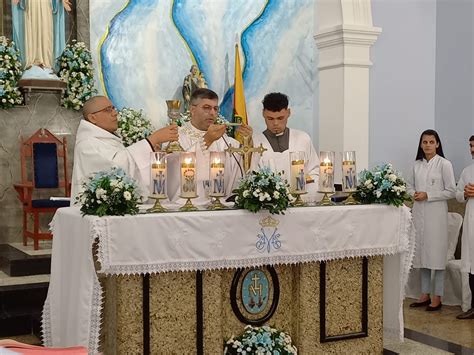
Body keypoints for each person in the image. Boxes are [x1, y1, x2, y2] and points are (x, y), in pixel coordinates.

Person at [70, 95, 178, 202]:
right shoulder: (88, 143)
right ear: (92, 118)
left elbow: (130, 167)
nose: (115, 113)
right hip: (98, 212)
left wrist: (154, 153)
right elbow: (117, 168)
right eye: (108, 110)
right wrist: (152, 140)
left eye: (113, 108)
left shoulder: (107, 139)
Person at [168, 88, 250, 203]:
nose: (212, 113)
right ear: (192, 109)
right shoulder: (177, 138)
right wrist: (207, 141)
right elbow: (173, 171)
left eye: (215, 109)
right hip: (187, 207)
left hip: (221, 208)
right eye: (207, 108)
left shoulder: (225, 141)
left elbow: (244, 166)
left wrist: (248, 141)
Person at [407, 129, 456, 311]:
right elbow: (409, 186)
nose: (428, 145)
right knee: (423, 255)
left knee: (436, 256)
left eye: (431, 142)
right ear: (421, 144)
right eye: (424, 142)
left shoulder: (444, 164)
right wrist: (414, 194)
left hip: (436, 215)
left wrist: (429, 195)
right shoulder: (416, 165)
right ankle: (424, 294)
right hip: (419, 214)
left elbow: (451, 191)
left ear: (437, 144)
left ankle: (438, 296)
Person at [251, 92, 319, 193]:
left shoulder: (303, 139)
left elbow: (314, 171)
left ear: (288, 113)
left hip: (302, 199)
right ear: (263, 113)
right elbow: (252, 176)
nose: (275, 123)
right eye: (270, 118)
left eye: (280, 118)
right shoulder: (255, 143)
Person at [12, 0, 71, 72]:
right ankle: (32, 61)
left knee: (45, 28)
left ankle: (46, 61)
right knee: (32, 27)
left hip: (45, 4)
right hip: (31, 4)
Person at [454, 135, 474, 319]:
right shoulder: (467, 171)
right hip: (471, 222)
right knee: (470, 265)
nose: (472, 150)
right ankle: (472, 306)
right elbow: (458, 194)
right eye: (470, 146)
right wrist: (466, 194)